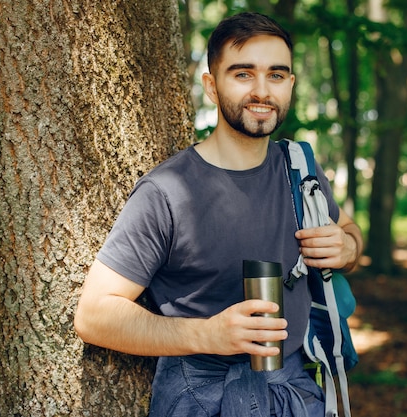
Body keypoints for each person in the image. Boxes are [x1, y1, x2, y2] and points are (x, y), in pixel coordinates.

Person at [74, 12, 363, 417]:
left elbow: (349, 231)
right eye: (243, 74)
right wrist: (206, 333)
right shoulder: (169, 191)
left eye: (276, 75)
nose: (262, 90)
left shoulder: (300, 168)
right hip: (202, 398)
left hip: (296, 390)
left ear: (291, 85)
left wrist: (347, 246)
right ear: (211, 85)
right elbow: (94, 315)